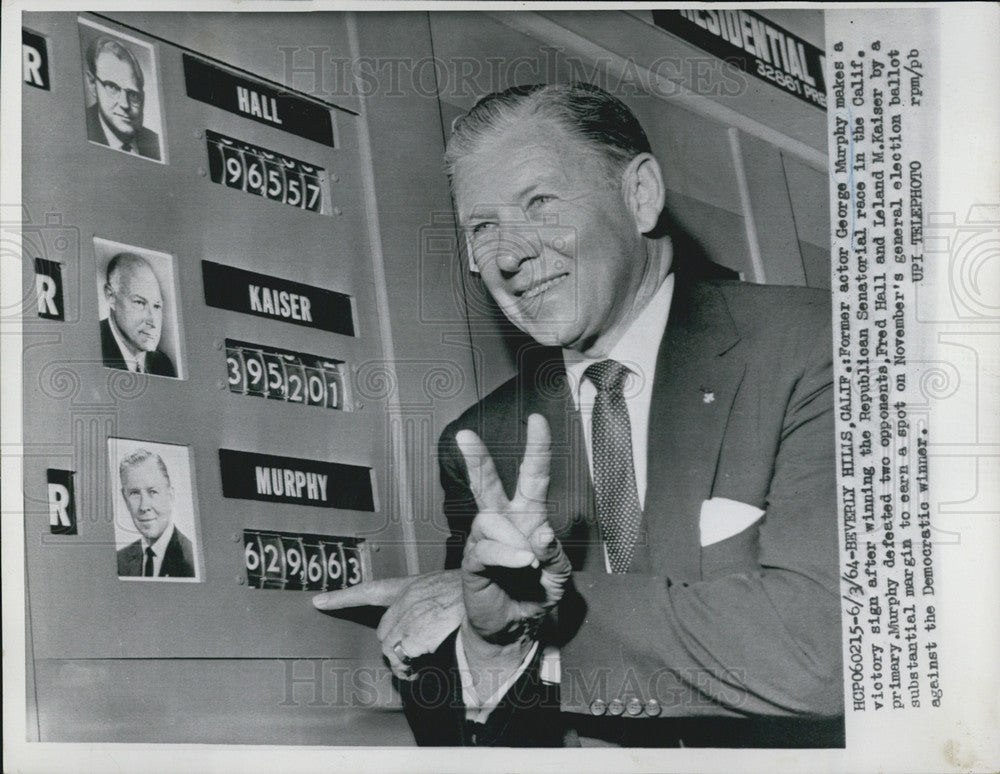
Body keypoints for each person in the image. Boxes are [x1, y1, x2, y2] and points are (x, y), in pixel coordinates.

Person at [314, 82, 842, 747]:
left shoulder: (817, 344)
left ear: (640, 195)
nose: (509, 253)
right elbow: (462, 726)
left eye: (540, 203)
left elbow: (824, 647)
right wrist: (481, 646)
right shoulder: (484, 442)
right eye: (482, 228)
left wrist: (539, 631)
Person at [116, 449, 195, 578]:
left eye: (152, 492)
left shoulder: (192, 559)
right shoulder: (119, 561)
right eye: (134, 493)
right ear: (125, 499)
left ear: (170, 495)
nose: (144, 506)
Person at [84, 36, 161, 160]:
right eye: (113, 87)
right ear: (92, 84)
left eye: (133, 95)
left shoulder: (156, 143)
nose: (125, 104)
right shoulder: (78, 129)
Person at [100, 253, 176, 376]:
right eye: (140, 303)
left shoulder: (162, 364)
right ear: (111, 297)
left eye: (156, 306)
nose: (153, 321)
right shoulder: (90, 347)